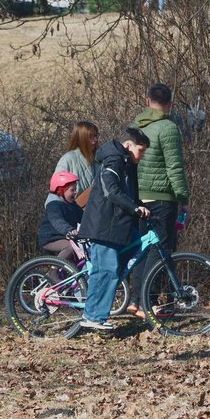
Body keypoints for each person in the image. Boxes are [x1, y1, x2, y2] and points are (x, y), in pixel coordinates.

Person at [77, 128, 151, 331]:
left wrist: (145, 208)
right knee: (105, 270)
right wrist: (135, 208)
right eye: (141, 150)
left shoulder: (128, 163)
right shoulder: (114, 160)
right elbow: (111, 189)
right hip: (104, 225)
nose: (142, 156)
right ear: (128, 146)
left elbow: (131, 195)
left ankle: (101, 303)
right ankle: (93, 315)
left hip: (118, 226)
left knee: (137, 248)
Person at [128, 83, 190, 319]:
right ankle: (147, 302)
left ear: (147, 102)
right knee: (160, 250)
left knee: (142, 249)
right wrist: (183, 199)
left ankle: (135, 300)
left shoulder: (135, 125)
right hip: (162, 197)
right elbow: (175, 167)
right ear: (170, 104)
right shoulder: (168, 128)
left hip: (137, 197)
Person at [46, 121, 99, 207]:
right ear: (82, 138)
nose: (95, 140)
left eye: (95, 136)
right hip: (74, 213)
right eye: (91, 137)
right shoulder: (68, 159)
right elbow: (55, 192)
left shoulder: (98, 160)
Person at [37, 171, 83, 262]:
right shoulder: (53, 205)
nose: (75, 192)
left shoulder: (72, 205)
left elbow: (84, 218)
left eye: (76, 189)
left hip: (64, 236)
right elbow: (57, 221)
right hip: (51, 238)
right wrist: (69, 230)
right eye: (72, 190)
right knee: (70, 247)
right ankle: (53, 273)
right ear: (61, 191)